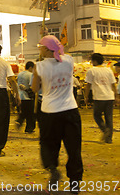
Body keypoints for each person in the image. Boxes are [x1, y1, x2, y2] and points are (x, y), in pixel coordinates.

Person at [32, 35, 83, 193]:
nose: (39, 48)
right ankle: (75, 183)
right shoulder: (68, 61)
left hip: (49, 112)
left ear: (46, 49)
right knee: (74, 148)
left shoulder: (39, 66)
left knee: (48, 144)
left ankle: (53, 169)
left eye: (40, 46)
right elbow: (61, 51)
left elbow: (34, 89)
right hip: (70, 111)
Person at [84, 53, 116, 144]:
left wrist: (86, 96)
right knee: (109, 117)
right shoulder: (108, 70)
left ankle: (105, 129)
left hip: (99, 97)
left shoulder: (92, 71)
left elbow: (88, 85)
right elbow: (113, 84)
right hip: (110, 96)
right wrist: (116, 95)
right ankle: (109, 139)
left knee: (97, 115)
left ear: (94, 61)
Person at [15, 61, 36, 134]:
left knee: (24, 111)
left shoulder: (20, 74)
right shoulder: (31, 75)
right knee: (30, 114)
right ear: (30, 67)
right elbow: (32, 86)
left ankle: (19, 121)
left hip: (20, 96)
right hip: (28, 97)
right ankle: (29, 128)